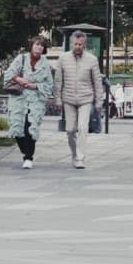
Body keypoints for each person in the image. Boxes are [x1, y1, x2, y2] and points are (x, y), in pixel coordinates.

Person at [54, 30, 103, 169]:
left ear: (84, 45)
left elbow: (97, 82)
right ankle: (74, 154)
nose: (77, 47)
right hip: (68, 98)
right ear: (71, 44)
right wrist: (57, 100)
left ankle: (80, 158)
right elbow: (58, 81)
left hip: (85, 98)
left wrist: (99, 102)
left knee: (82, 128)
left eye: (80, 44)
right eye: (75, 44)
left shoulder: (92, 60)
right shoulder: (63, 58)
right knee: (70, 130)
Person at [4, 36, 54, 169]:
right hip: (18, 98)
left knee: (30, 128)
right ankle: (25, 150)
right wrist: (19, 80)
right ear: (31, 45)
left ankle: (28, 157)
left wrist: (35, 86)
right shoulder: (21, 59)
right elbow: (8, 74)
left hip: (36, 99)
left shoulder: (45, 64)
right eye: (37, 44)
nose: (39, 47)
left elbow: (49, 85)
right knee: (16, 127)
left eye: (42, 45)